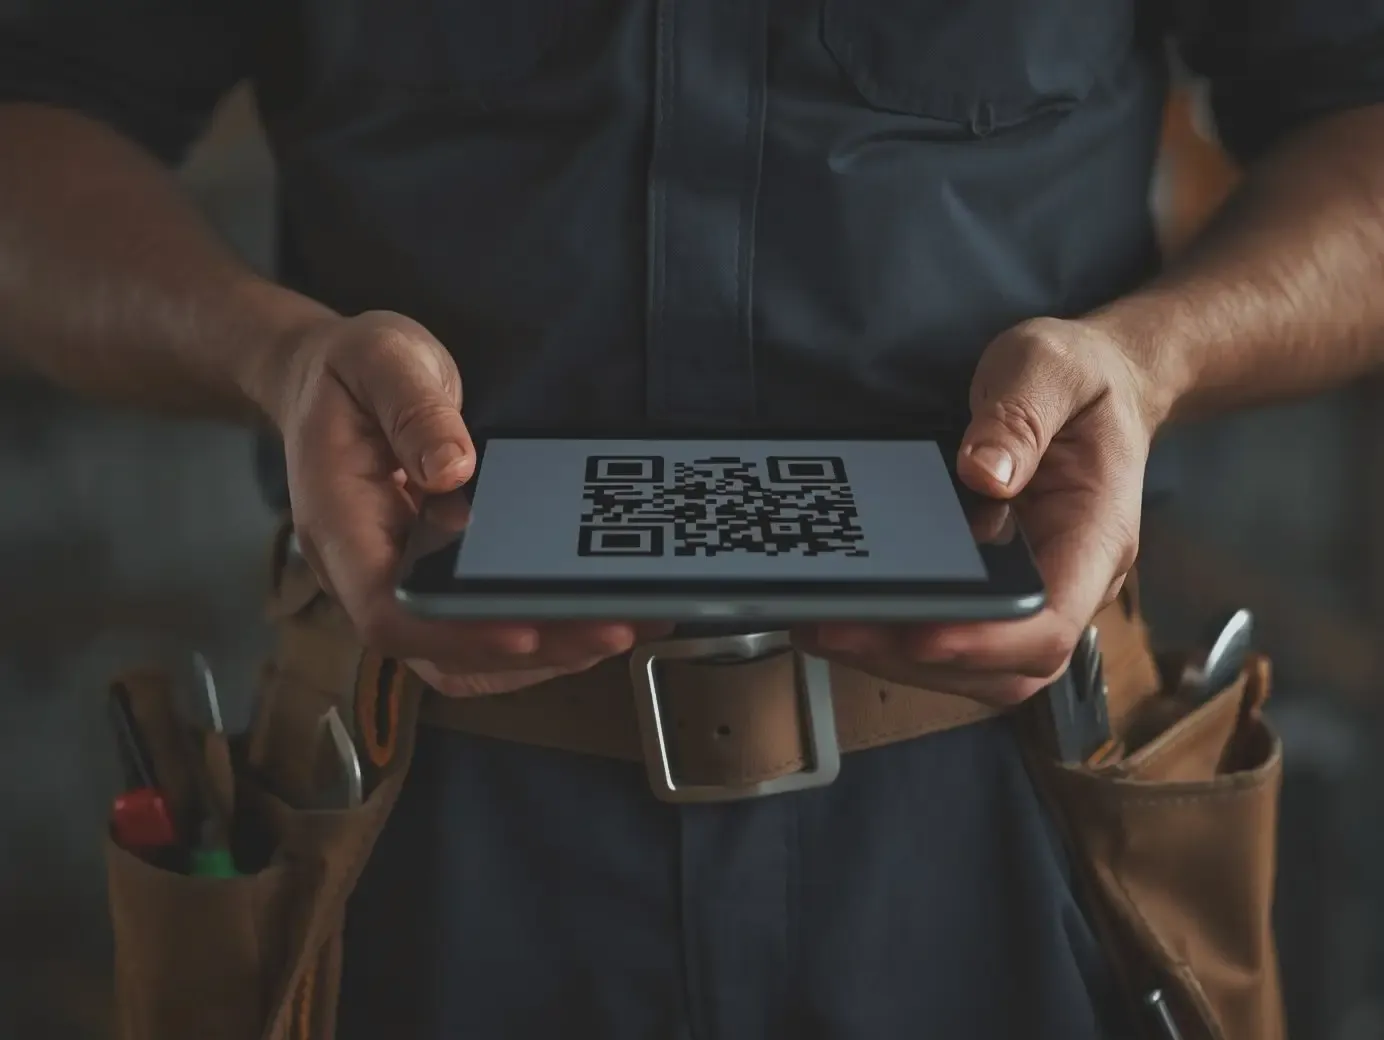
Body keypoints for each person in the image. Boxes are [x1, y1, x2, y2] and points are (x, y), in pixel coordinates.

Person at [2, 3, 1382, 1037]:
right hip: (416, 832)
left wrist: (1155, 358)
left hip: (1016, 828)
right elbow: (38, 127)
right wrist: (274, 356)